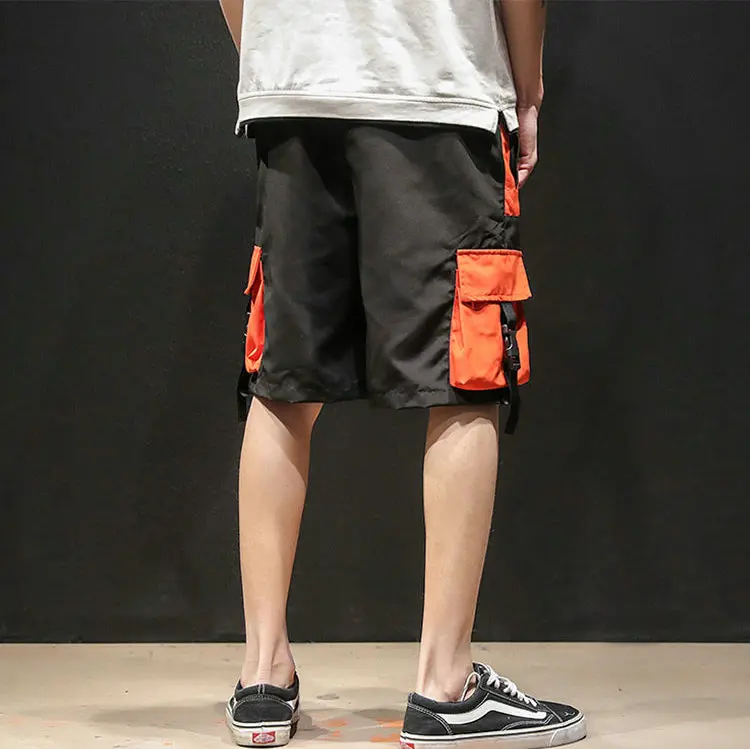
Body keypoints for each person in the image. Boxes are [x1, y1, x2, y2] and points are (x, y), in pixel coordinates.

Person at [217, 1, 586, 747]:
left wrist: (279, 52)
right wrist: (528, 89)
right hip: (433, 81)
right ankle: (445, 685)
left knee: (283, 383)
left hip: (294, 89)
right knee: (465, 375)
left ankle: (263, 677)